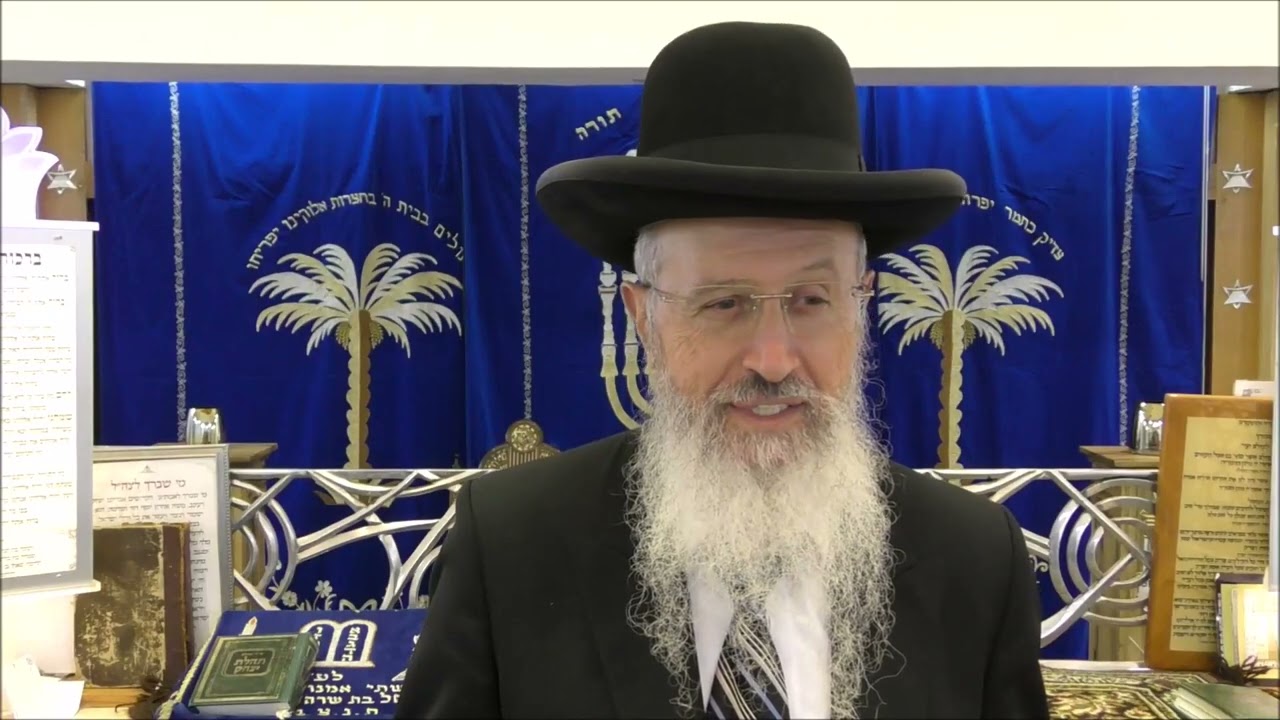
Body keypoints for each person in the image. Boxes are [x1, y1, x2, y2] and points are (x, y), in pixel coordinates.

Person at [395, 20, 1049, 720]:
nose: (772, 359)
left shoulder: (975, 560)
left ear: (861, 305)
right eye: (723, 303)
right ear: (644, 315)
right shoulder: (511, 544)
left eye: (811, 299)